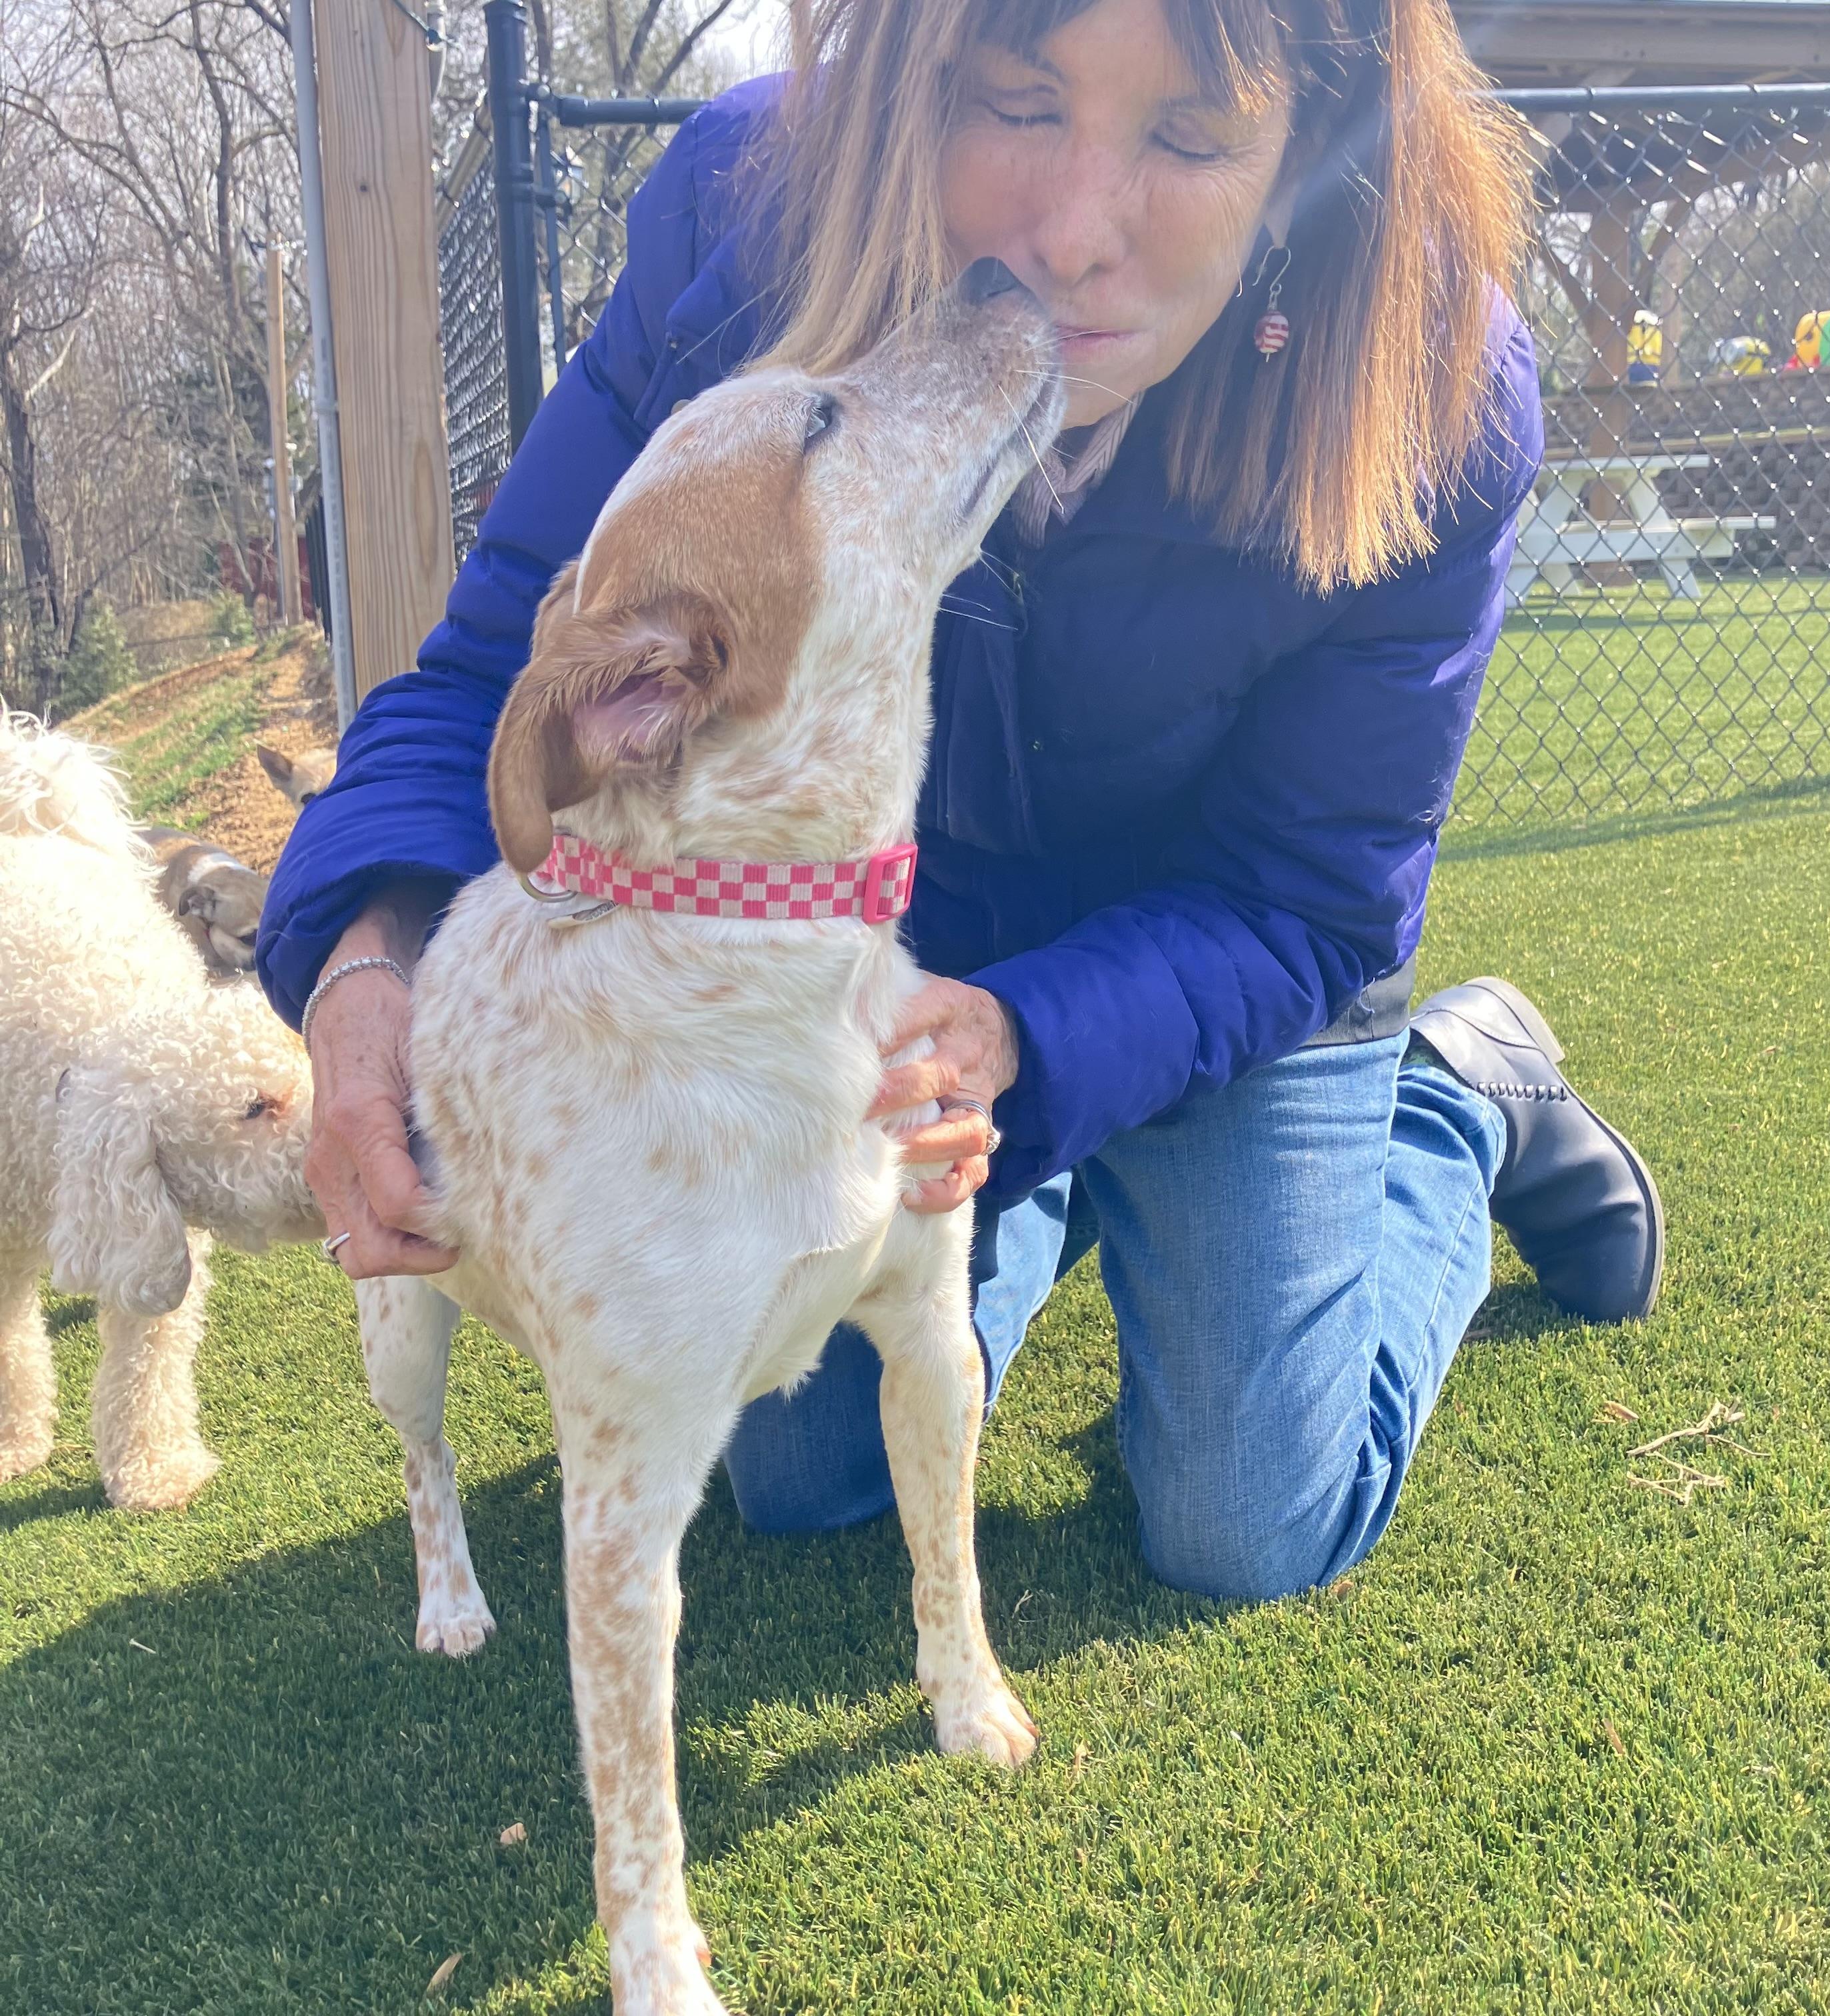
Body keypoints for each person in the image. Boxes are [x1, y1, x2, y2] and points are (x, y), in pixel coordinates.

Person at [261, 0, 1663, 1603]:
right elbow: (499, 667)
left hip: (1233, 961)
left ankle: (1457, 1099)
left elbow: (1306, 895)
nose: (1073, 234)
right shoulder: (745, 217)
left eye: (1190, 138)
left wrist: (1032, 1040)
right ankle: (1037, 1188)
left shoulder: (1430, 378)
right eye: (1014, 102)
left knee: (1249, 1520)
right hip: (895, 963)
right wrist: (371, 943)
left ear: (1313, 137)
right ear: (923, 70)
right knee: (792, 1470)